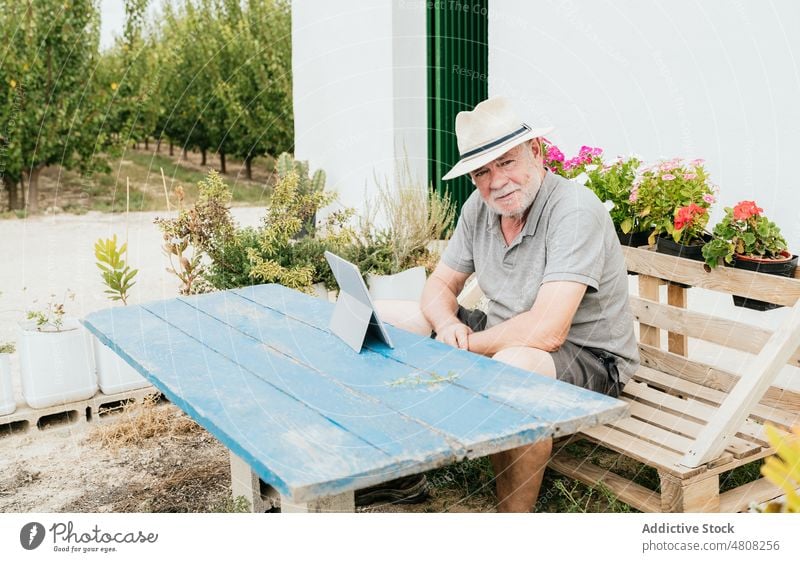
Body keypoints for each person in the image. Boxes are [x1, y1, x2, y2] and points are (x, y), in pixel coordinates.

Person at [377, 96, 640, 512]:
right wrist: (446, 326)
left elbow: (547, 331)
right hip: (504, 336)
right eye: (482, 171)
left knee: (514, 368)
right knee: (391, 318)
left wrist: (461, 349)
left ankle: (512, 521)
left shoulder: (573, 210)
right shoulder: (477, 209)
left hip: (589, 355)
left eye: (506, 162)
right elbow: (438, 285)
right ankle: (398, 473)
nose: (496, 181)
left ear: (536, 152)